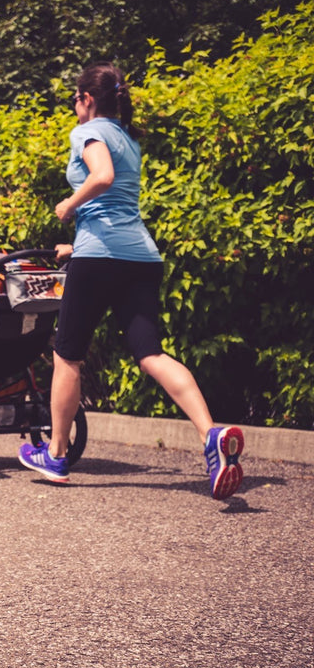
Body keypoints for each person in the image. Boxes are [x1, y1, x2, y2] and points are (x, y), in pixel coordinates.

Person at [17, 62, 244, 500]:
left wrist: (68, 205)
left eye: (75, 99)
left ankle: (57, 455)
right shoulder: (129, 139)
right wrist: (74, 242)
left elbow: (102, 178)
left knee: (68, 357)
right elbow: (116, 206)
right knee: (151, 354)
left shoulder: (88, 132)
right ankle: (211, 435)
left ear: (86, 99)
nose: (73, 107)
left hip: (100, 258)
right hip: (141, 256)